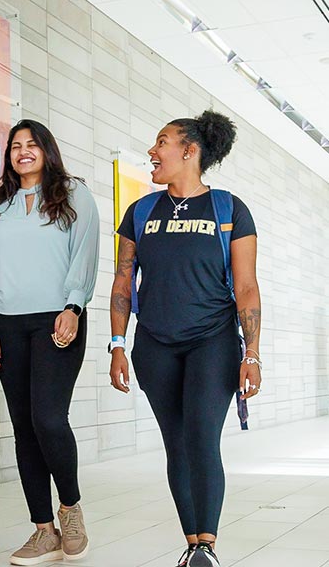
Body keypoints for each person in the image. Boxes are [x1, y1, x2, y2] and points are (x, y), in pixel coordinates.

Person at [109, 110, 262, 567]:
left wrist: (252, 353)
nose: (152, 151)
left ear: (189, 151)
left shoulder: (229, 210)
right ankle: (193, 543)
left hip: (212, 341)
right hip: (154, 344)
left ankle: (206, 546)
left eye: (162, 142)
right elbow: (123, 282)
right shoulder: (140, 212)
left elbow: (246, 286)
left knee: (201, 436)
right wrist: (117, 344)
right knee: (175, 442)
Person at [0, 119, 100, 565]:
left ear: (46, 149)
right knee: (24, 426)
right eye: (15, 146)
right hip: (7, 324)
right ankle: (43, 531)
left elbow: (84, 255)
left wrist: (74, 306)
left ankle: (70, 509)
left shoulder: (74, 194)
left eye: (31, 144)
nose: (23, 151)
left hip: (58, 320)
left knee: (49, 419)